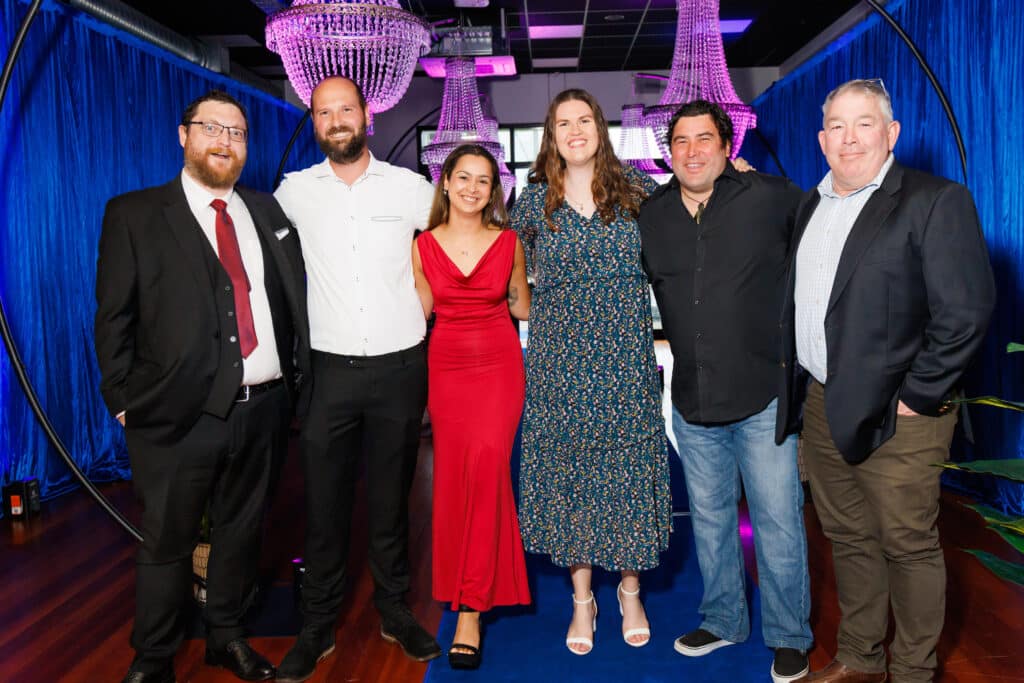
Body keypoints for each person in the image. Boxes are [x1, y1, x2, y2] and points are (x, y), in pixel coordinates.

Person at [776, 79, 996, 682]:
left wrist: (920, 397)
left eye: (864, 123)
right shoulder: (810, 205)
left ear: (891, 133)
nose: (850, 138)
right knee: (847, 537)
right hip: (822, 403)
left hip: (903, 413)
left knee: (907, 542)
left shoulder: (934, 199)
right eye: (837, 127)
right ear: (821, 140)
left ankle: (912, 673)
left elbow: (966, 311)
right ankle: (860, 655)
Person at [95, 90, 309, 683]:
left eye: (237, 133)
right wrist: (121, 402)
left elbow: (288, 303)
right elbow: (113, 318)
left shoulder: (267, 213)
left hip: (263, 409)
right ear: (183, 136)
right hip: (174, 416)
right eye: (212, 128)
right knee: (167, 540)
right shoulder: (134, 214)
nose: (225, 141)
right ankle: (154, 656)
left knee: (242, 534)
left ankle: (226, 638)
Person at [638, 99, 813, 683]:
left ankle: (789, 636)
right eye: (681, 141)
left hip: (762, 395)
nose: (692, 151)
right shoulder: (651, 213)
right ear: (669, 150)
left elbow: (826, 249)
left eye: (704, 139)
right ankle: (722, 620)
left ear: (727, 146)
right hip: (690, 400)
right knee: (710, 522)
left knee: (778, 523)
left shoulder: (772, 198)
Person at [272, 75, 440, 682]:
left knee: (392, 499)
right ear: (314, 122)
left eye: (346, 108)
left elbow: (451, 242)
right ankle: (317, 624)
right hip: (328, 372)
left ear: (367, 116)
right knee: (325, 504)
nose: (337, 119)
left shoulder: (411, 188)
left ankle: (394, 609)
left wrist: (430, 300)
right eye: (324, 112)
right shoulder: (292, 193)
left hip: (400, 366)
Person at [511, 88, 671, 656]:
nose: (575, 130)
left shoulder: (639, 192)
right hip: (558, 361)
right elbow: (512, 280)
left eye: (585, 119)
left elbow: (694, 228)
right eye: (563, 123)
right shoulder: (530, 203)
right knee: (570, 473)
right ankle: (583, 598)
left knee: (627, 469)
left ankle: (630, 590)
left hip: (624, 358)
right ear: (550, 136)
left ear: (600, 128)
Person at [411, 144, 532, 670]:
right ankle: (467, 586)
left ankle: (470, 608)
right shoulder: (420, 246)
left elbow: (522, 305)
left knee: (487, 475)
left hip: (500, 371)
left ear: (493, 191)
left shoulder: (507, 242)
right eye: (464, 178)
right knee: (453, 483)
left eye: (484, 181)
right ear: (445, 183)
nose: (473, 188)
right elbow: (418, 315)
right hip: (447, 372)